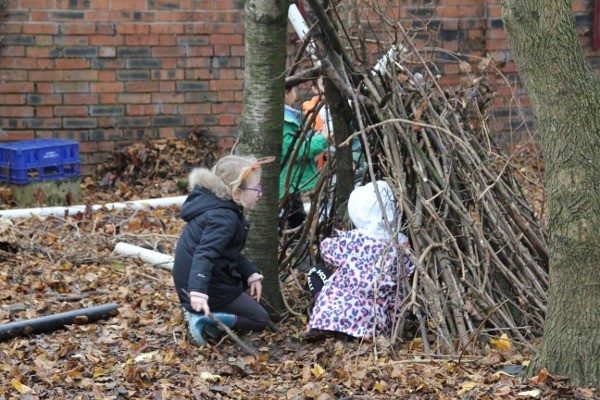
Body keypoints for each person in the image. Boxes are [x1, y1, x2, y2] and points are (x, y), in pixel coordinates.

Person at [172, 155, 273, 346]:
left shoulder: (217, 206)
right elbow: (205, 254)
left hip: (197, 281)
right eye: (256, 187)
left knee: (244, 288)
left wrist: (251, 273)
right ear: (236, 193)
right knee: (261, 319)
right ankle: (201, 317)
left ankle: (205, 313)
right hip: (203, 287)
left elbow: (226, 252)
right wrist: (197, 292)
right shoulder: (223, 217)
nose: (260, 193)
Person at [303, 180, 416, 339]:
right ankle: (356, 329)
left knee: (316, 272)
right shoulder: (402, 243)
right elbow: (410, 270)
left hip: (343, 313)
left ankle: (321, 320)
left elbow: (326, 250)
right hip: (381, 320)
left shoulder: (353, 239)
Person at [280, 85, 329, 231]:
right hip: (284, 183)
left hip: (287, 183)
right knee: (294, 219)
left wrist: (314, 136)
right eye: (294, 91)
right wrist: (322, 140)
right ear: (285, 92)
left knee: (296, 217)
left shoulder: (287, 116)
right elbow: (297, 149)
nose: (297, 95)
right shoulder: (283, 119)